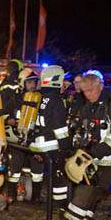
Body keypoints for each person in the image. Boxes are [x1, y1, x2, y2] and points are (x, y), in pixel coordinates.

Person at [47, 73, 111, 220]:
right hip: (93, 159)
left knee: (84, 191)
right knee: (89, 198)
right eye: (84, 92)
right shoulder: (89, 105)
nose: (88, 94)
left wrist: (91, 153)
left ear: (100, 85)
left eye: (91, 90)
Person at [29, 65, 72, 208]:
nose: (65, 84)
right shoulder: (56, 100)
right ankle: (61, 207)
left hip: (38, 144)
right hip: (53, 145)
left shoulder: (39, 97)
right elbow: (60, 129)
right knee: (59, 178)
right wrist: (66, 149)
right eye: (63, 80)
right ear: (56, 80)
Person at [6, 69, 44, 203]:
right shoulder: (15, 100)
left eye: (34, 82)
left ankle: (36, 196)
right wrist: (9, 119)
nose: (32, 85)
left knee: (37, 170)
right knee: (15, 166)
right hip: (18, 140)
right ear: (23, 84)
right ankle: (11, 194)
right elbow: (4, 114)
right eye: (29, 82)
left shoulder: (41, 99)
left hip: (35, 139)